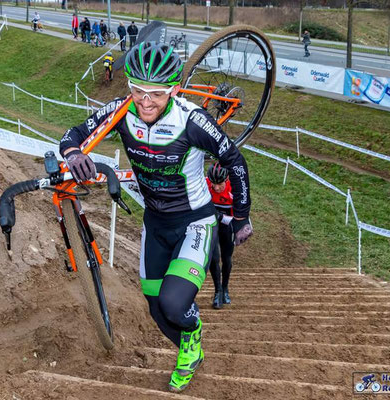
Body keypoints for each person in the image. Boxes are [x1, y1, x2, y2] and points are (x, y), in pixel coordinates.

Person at [58, 41, 253, 393]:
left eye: (157, 94)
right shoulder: (121, 110)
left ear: (174, 91)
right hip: (156, 222)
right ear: (129, 86)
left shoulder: (193, 120)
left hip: (195, 219)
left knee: (174, 303)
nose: (146, 101)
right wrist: (73, 153)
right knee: (155, 308)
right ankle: (190, 351)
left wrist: (241, 218)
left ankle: (192, 334)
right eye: (138, 91)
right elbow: (73, 134)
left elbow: (236, 162)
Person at [206, 163, 235, 309]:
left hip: (227, 225)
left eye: (220, 184)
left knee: (226, 258)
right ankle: (217, 291)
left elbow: (241, 212)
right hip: (212, 224)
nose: (216, 188)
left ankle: (225, 288)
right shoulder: (205, 184)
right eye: (213, 184)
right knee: (214, 257)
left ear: (227, 179)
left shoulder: (234, 188)